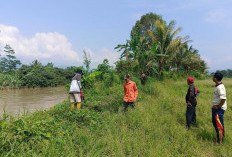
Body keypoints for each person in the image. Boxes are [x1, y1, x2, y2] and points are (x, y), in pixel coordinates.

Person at [212, 72, 227, 144]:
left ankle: (220, 141)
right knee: (215, 123)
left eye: (213, 76)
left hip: (219, 109)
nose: (212, 78)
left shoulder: (220, 87)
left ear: (215, 78)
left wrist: (218, 106)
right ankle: (219, 138)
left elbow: (223, 99)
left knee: (219, 124)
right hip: (216, 108)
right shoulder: (217, 86)